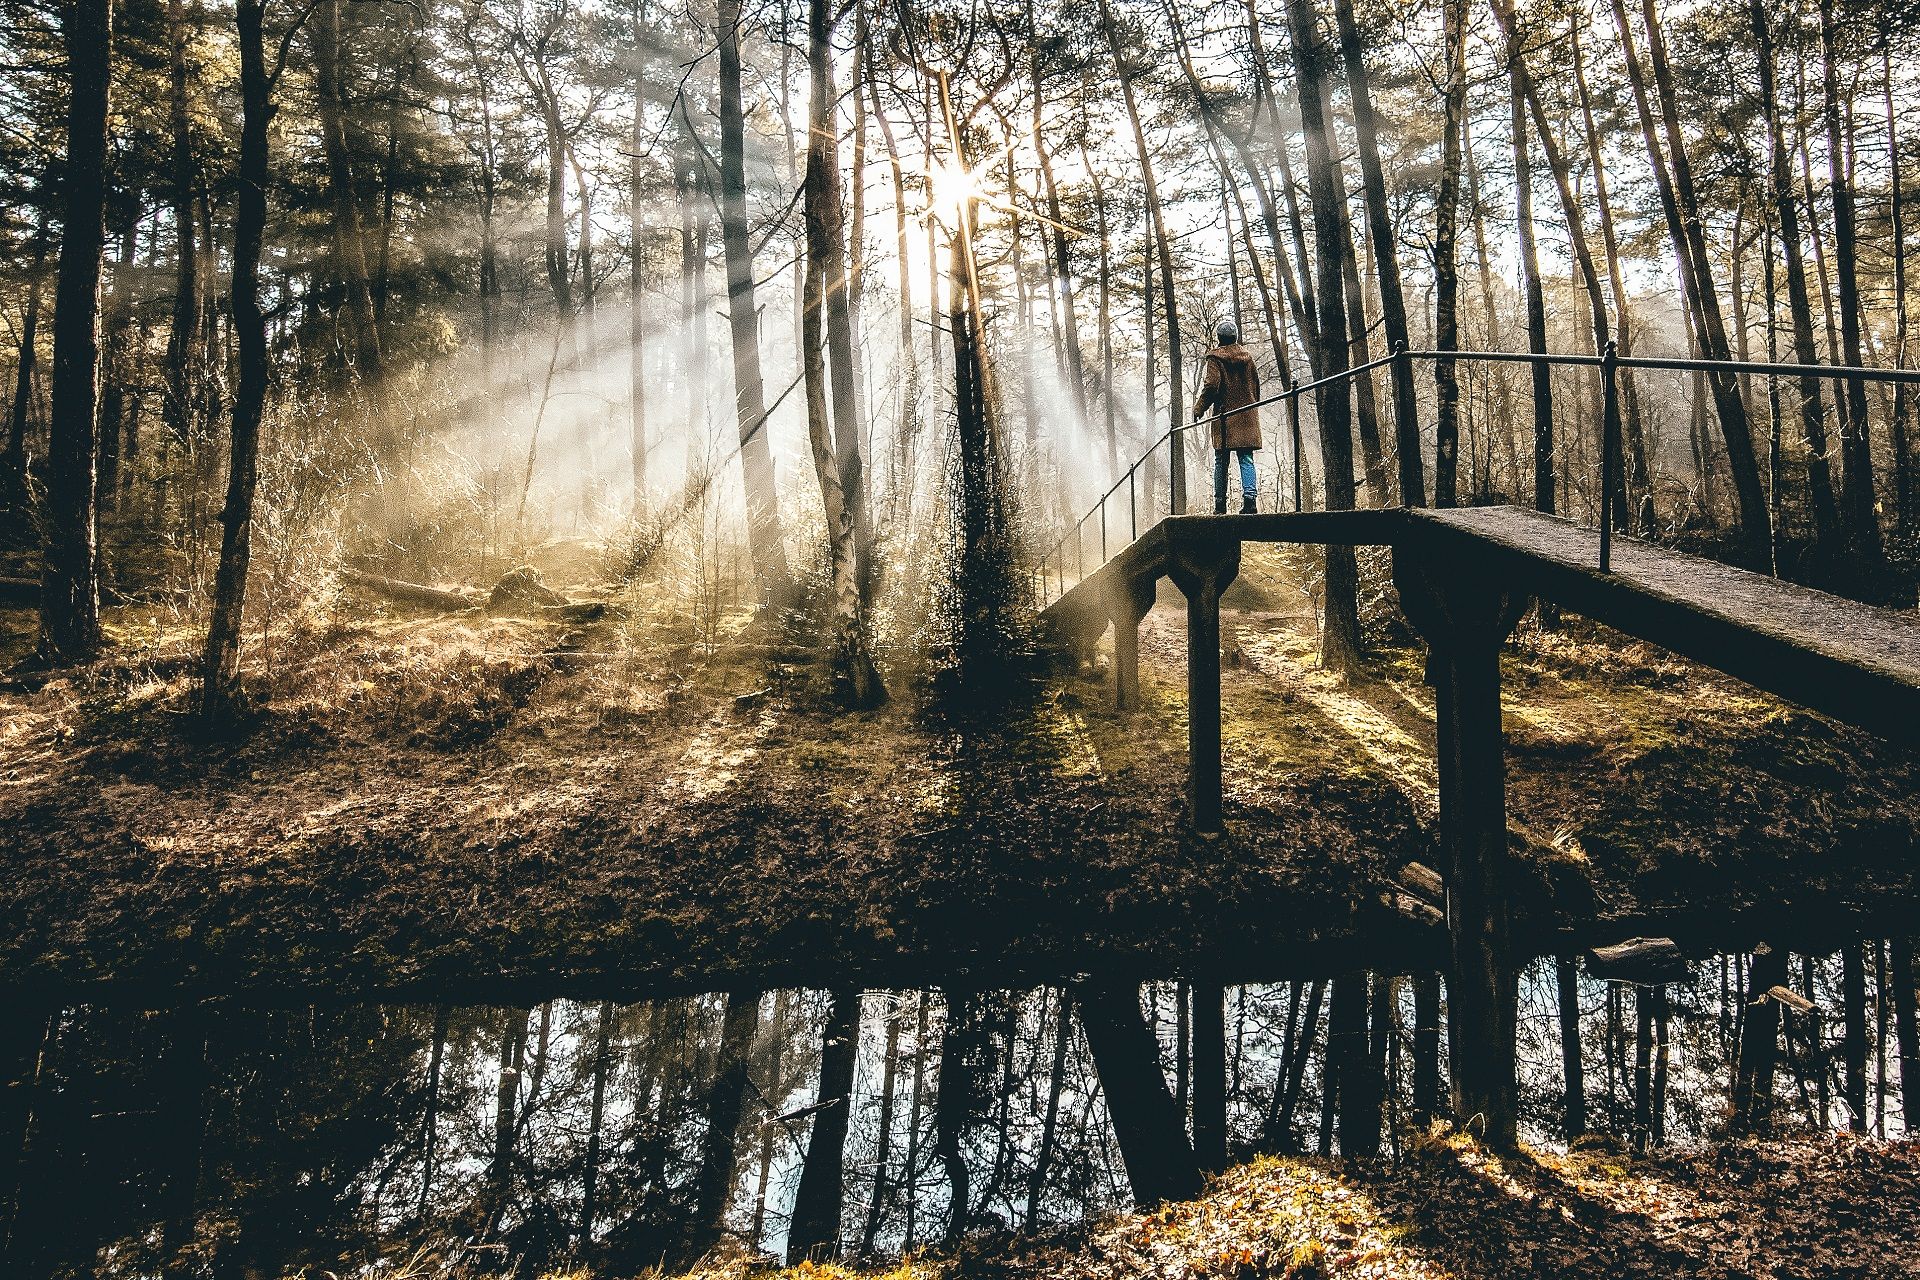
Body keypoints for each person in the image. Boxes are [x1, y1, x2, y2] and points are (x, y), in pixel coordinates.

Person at [1192, 320, 1262, 513]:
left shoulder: (1216, 359)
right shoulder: (1247, 358)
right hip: (1246, 417)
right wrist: (1250, 407)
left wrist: (1199, 408)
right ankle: (1250, 502)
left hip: (1226, 418)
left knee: (1221, 460)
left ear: (1219, 338)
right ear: (1235, 337)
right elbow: (1256, 386)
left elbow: (1212, 386)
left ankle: (1220, 505)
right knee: (1246, 458)